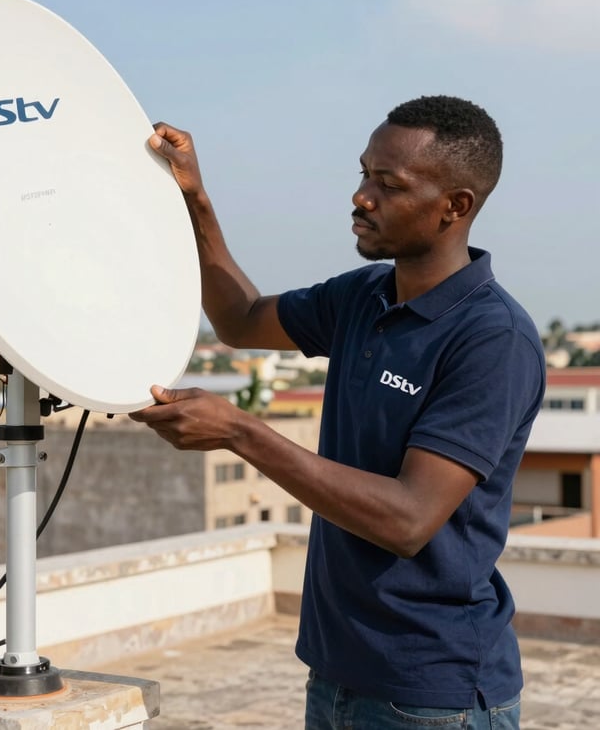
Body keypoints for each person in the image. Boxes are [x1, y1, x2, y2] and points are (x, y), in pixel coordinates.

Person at [129, 95, 545, 730]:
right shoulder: (363, 295)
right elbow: (239, 321)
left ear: (454, 207)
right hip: (336, 673)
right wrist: (195, 199)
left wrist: (241, 432)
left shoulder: (493, 339)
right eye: (363, 173)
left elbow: (408, 520)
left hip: (433, 694)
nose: (361, 197)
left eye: (388, 183)